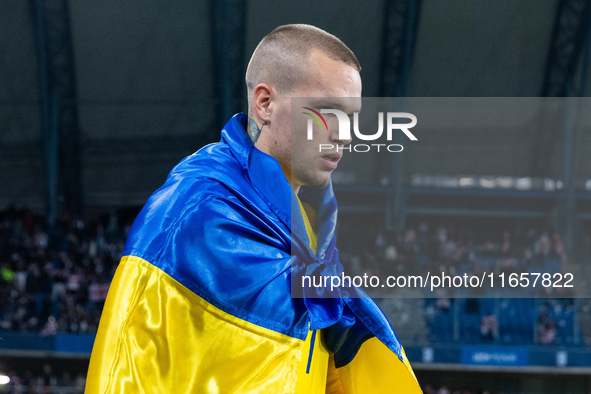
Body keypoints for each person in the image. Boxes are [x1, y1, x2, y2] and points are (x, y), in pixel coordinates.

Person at [86, 24, 421, 393]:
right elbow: (124, 367)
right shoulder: (191, 210)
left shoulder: (315, 230)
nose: (344, 134)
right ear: (265, 104)